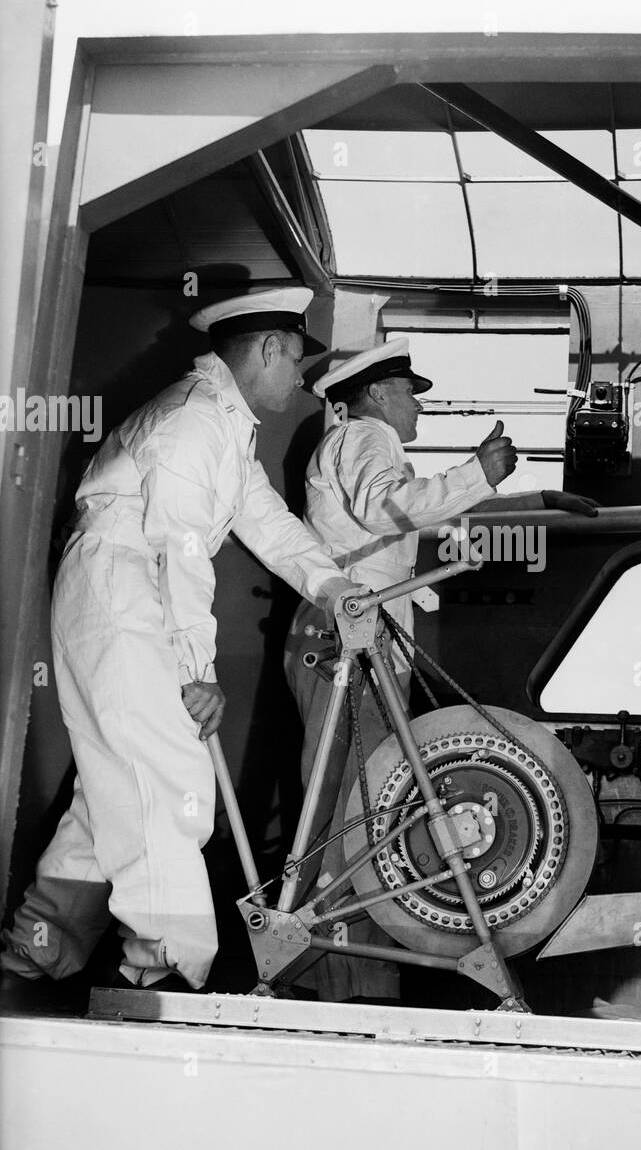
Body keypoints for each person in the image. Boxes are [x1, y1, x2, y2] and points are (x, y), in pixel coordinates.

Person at [0, 287, 360, 999]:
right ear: (266, 350)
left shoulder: (226, 427)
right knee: (170, 787)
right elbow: (183, 551)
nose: (301, 378)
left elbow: (272, 525)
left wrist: (333, 587)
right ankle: (162, 978)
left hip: (125, 591)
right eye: (296, 360)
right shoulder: (192, 422)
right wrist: (198, 671)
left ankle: (28, 962)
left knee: (114, 796)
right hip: (121, 590)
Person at [284, 337, 597, 1000]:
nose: (417, 406)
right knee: (348, 817)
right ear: (373, 394)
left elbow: (421, 516)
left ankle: (348, 981)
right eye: (408, 392)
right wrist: (479, 470)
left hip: (362, 641)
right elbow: (391, 508)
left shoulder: (368, 447)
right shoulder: (366, 439)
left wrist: (536, 503)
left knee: (363, 816)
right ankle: (322, 984)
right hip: (348, 641)